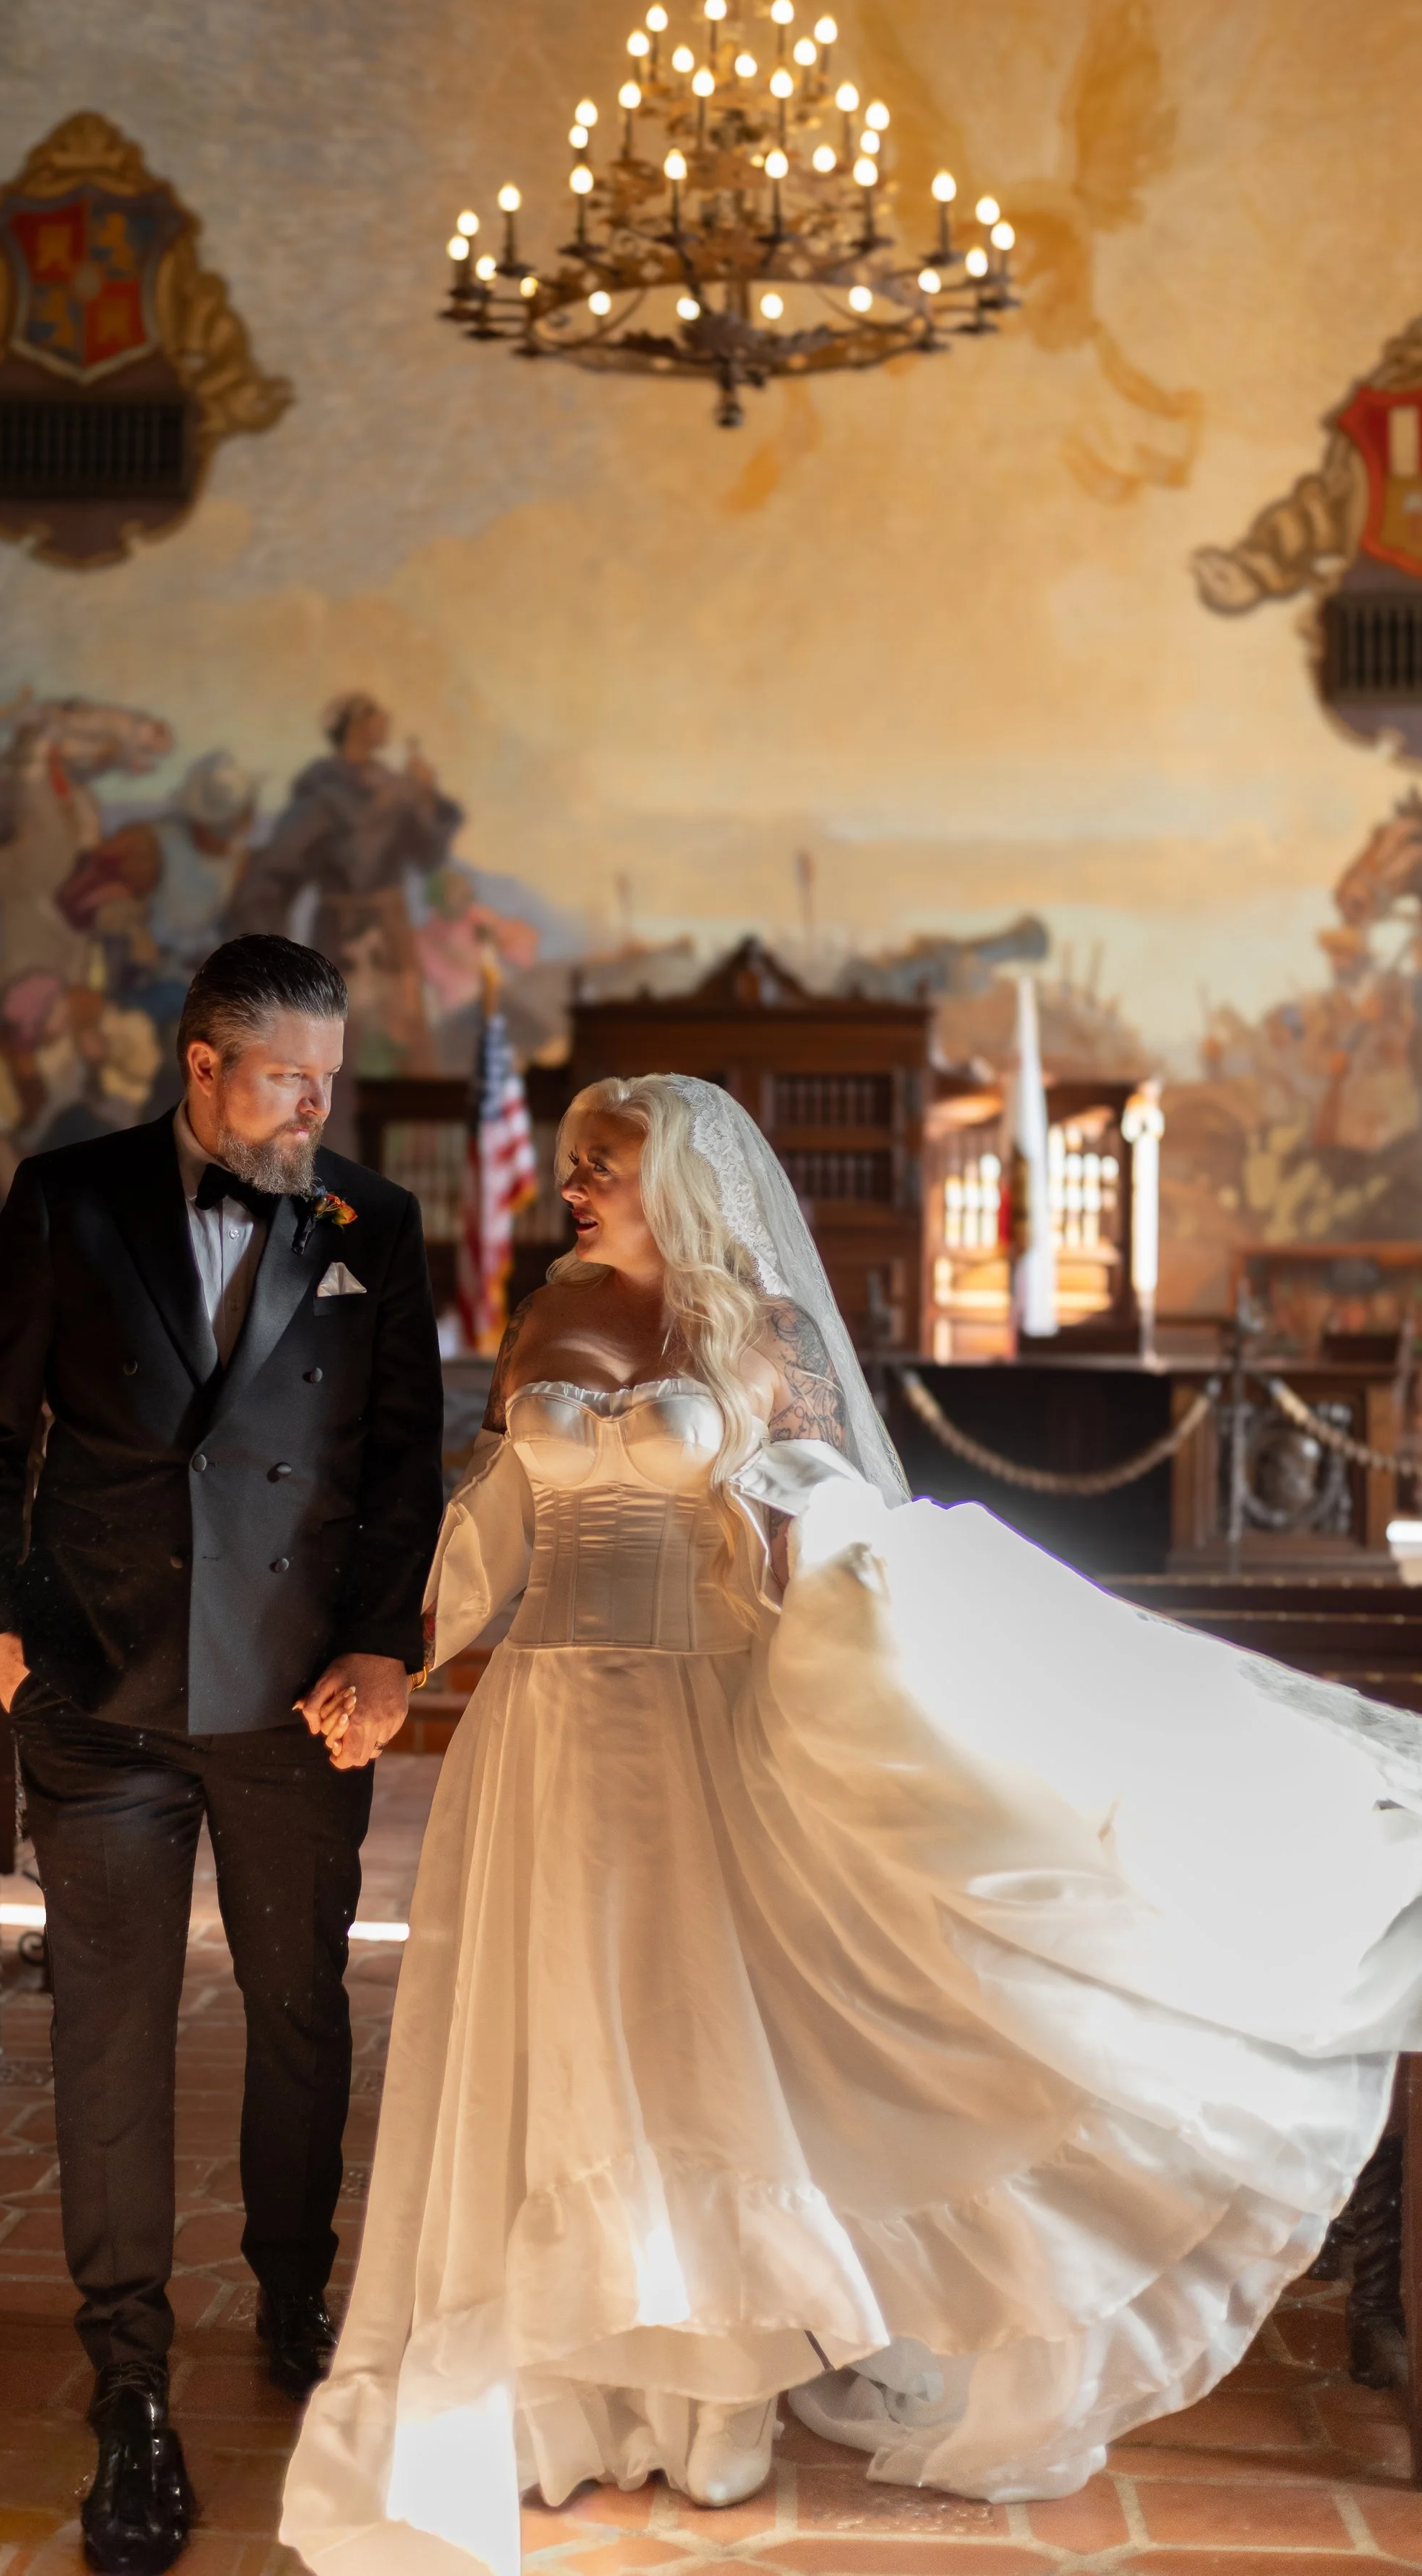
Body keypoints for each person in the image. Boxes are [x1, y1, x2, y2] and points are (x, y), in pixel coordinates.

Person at [282, 1071, 1422, 2575]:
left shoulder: (756, 1339)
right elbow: (494, 1528)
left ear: (680, 1178)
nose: (573, 1183)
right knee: (556, 2040)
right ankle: (566, 2394)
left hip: (697, 1726)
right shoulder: (542, 1322)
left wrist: (861, 1614)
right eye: (568, 1162)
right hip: (548, 1729)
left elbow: (814, 1521)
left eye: (602, 1164)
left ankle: (713, 2402)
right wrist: (392, 1664)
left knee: (696, 2050)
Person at [0, 935, 444, 2576]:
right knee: (111, 2036)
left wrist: (385, 1645)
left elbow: (400, 1459)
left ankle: (295, 2284)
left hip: (302, 1699)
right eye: (288, 1073)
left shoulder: (379, 1218)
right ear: (202, 1066)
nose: (318, 1101)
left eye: (329, 1073)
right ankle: (131, 2386)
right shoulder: (67, 1196)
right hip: (101, 1691)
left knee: (302, 2003)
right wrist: (5, 1647)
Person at [226, 695, 462, 1076]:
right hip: (342, 932)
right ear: (353, 727)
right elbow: (280, 864)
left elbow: (427, 856)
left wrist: (426, 797)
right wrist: (267, 952)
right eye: (374, 713)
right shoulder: (326, 793)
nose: (385, 718)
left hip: (392, 933)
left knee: (405, 1043)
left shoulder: (395, 786)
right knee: (342, 1041)